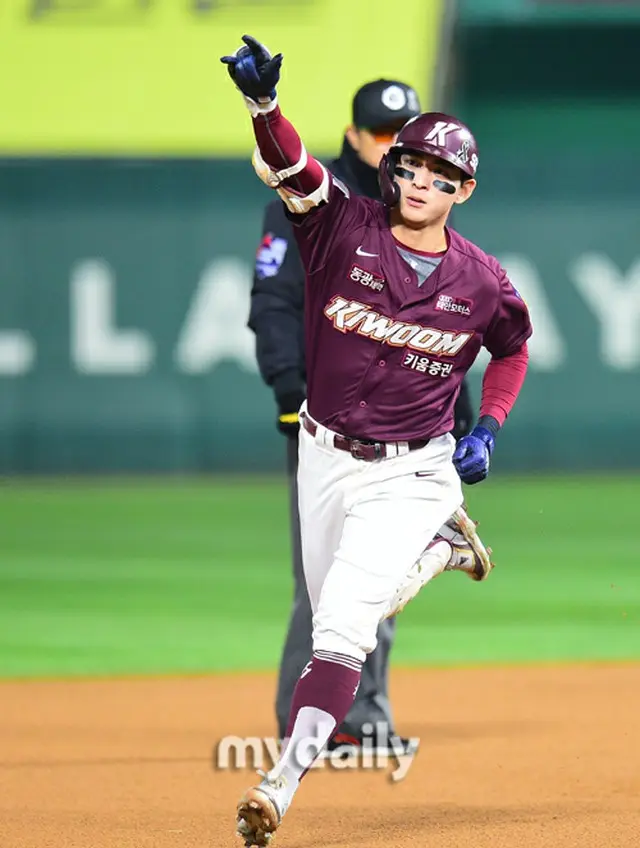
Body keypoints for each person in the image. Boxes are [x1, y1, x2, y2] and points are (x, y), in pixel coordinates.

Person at [221, 35, 532, 846]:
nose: (423, 182)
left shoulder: (481, 279)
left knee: (341, 630)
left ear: (464, 190)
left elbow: (513, 347)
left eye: (442, 175)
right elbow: (292, 167)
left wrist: (489, 426)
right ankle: (442, 549)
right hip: (323, 454)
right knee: (338, 605)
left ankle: (279, 787)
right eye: (412, 166)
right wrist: (263, 106)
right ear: (391, 169)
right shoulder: (340, 227)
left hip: (412, 469)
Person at [248, 77, 475, 761]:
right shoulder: (315, 204)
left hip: (405, 428)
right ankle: (308, 724)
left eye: (401, 139)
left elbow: (444, 326)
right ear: (353, 137)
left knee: (384, 572)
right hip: (326, 421)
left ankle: (365, 715)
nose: (393, 150)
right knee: (322, 583)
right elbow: (273, 304)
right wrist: (288, 388)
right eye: (380, 135)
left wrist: (460, 415)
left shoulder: (417, 210)